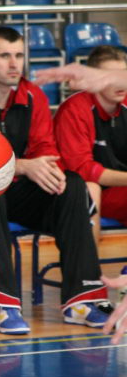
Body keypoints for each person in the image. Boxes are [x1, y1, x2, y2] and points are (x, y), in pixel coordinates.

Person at [0, 26, 110, 334]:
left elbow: (45, 150)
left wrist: (46, 171)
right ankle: (4, 305)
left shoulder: (33, 96)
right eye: (4, 56)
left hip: (18, 193)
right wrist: (23, 166)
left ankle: (81, 301)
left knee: (72, 185)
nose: (13, 64)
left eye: (19, 56)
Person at [54, 45, 127, 243]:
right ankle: (89, 263)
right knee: (89, 188)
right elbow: (83, 171)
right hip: (84, 191)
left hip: (119, 188)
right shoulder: (74, 110)